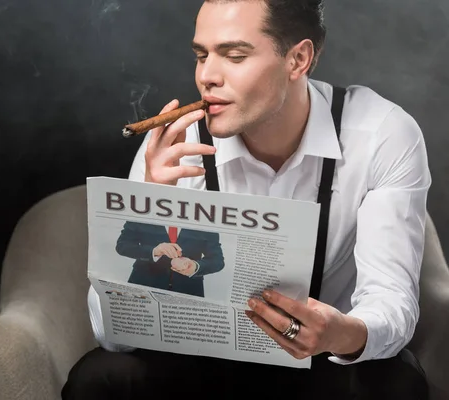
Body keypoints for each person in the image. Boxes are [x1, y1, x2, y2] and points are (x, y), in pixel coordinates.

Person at [62, 1, 431, 399]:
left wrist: (342, 334)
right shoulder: (175, 146)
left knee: (396, 381)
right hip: (197, 366)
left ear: (298, 59)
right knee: (100, 377)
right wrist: (148, 209)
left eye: (234, 56)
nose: (207, 76)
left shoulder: (380, 134)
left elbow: (391, 300)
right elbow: (112, 338)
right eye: (201, 56)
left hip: (320, 366)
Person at [115, 221, 225, 297]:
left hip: (188, 290)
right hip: (144, 284)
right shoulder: (143, 209)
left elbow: (217, 260)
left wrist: (195, 266)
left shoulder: (205, 219)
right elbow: (122, 245)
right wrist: (154, 251)